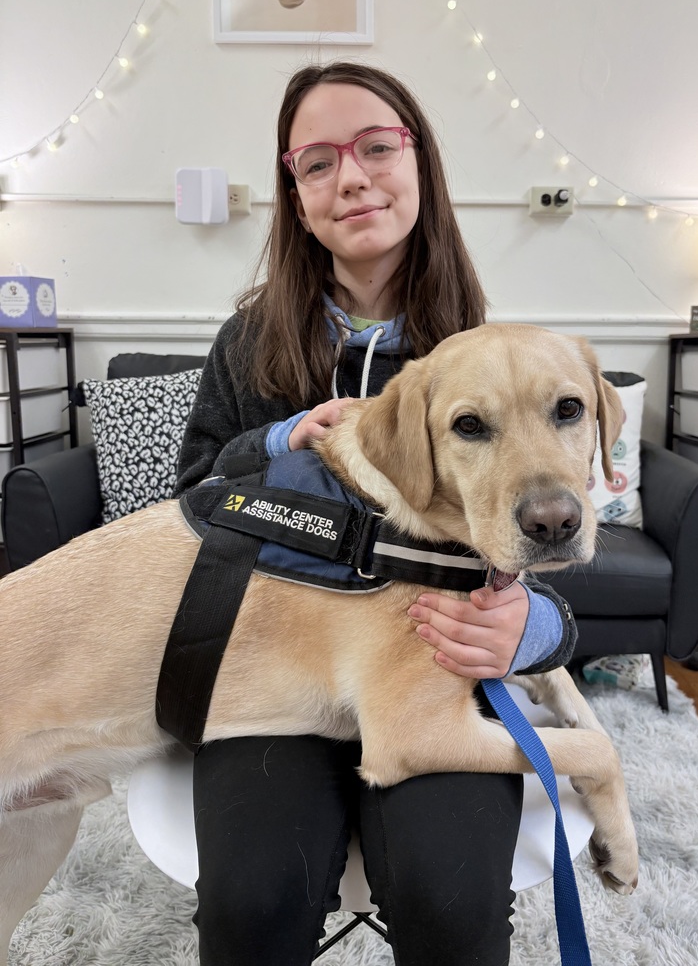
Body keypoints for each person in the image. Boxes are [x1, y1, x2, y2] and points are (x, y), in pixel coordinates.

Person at [175, 61, 576, 966]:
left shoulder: (491, 355)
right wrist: (277, 442)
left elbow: (551, 548)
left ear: (420, 162)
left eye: (375, 147)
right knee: (251, 906)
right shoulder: (248, 342)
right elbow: (186, 510)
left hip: (432, 670)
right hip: (275, 679)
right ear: (296, 194)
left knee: (453, 904)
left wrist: (531, 630)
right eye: (317, 162)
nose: (350, 177)